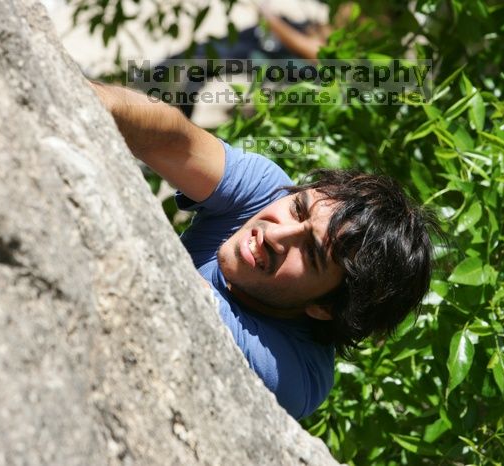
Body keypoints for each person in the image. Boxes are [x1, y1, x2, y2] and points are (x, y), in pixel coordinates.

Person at [89, 81, 439, 419]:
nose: (277, 233)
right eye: (298, 210)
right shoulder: (270, 192)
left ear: (324, 308)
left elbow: (176, 296)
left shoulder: (293, 376)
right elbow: (170, 137)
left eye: (311, 253)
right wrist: (77, 92)